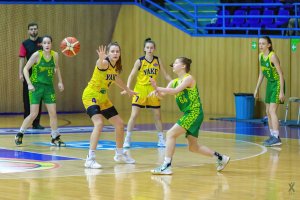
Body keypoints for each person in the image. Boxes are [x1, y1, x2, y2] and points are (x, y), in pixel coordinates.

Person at [149, 57, 230, 175]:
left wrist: (158, 88)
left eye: (176, 63)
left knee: (170, 134)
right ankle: (221, 158)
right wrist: (155, 93)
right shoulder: (173, 82)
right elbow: (163, 95)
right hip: (191, 114)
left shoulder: (189, 78)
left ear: (183, 66)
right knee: (193, 147)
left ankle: (166, 165)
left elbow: (175, 91)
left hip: (194, 112)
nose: (174, 65)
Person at [82, 43, 137, 169]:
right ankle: (90, 159)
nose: (115, 53)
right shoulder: (105, 63)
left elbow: (116, 78)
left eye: (117, 51)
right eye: (112, 51)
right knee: (99, 123)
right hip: (91, 95)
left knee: (119, 124)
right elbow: (100, 64)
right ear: (108, 53)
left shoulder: (114, 67)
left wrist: (127, 89)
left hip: (103, 97)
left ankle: (119, 154)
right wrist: (101, 58)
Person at [15, 35, 65, 147]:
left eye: (49, 43)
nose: (47, 45)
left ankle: (55, 137)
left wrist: (60, 81)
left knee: (53, 114)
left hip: (48, 87)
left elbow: (57, 68)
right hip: (36, 87)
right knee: (33, 114)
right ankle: (20, 133)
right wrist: (29, 84)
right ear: (41, 45)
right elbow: (25, 69)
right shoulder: (37, 55)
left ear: (51, 44)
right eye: (45, 43)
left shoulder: (55, 55)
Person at [122, 38, 172, 148]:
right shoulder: (139, 61)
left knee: (157, 116)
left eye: (151, 48)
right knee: (134, 115)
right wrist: (128, 88)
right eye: (147, 47)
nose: (149, 49)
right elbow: (131, 75)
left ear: (154, 49)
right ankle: (127, 139)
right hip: (140, 89)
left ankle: (161, 139)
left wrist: (173, 81)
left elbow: (165, 75)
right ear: (144, 49)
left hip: (153, 90)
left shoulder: (157, 60)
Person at [254, 36, 285, 147]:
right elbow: (262, 74)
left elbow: (281, 74)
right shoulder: (260, 56)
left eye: (263, 43)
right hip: (269, 85)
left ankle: (276, 137)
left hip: (277, 84)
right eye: (259, 43)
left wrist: (281, 91)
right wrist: (257, 88)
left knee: (272, 111)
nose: (260, 45)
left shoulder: (273, 57)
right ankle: (272, 135)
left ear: (269, 45)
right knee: (267, 112)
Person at [19, 22, 44, 129]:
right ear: (28, 31)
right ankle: (27, 122)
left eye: (35, 29)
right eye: (31, 29)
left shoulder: (43, 41)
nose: (33, 31)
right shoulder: (24, 43)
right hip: (28, 73)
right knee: (27, 98)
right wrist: (20, 73)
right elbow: (21, 59)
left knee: (39, 98)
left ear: (37, 30)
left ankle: (36, 123)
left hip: (41, 74)